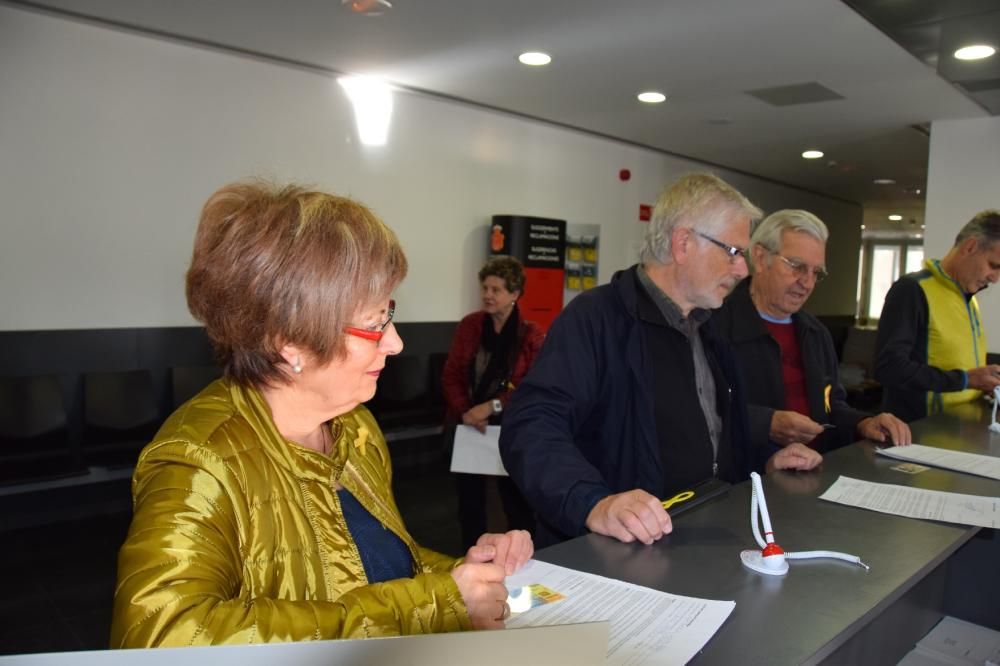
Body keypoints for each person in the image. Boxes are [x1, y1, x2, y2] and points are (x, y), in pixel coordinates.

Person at [111, 182, 532, 648]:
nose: (395, 343)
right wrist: (438, 602)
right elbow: (160, 638)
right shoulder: (198, 460)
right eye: (374, 323)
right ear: (289, 340)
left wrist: (467, 575)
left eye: (388, 314)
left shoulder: (354, 426)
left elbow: (381, 570)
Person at [499, 172, 822, 548]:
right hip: (615, 555)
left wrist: (766, 459)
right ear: (683, 243)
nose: (742, 269)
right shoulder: (595, 319)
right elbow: (530, 427)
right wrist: (594, 503)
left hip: (702, 538)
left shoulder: (709, 325)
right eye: (733, 252)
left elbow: (712, 429)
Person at [715, 209, 910, 452]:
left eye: (815, 272)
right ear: (760, 257)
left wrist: (863, 422)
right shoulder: (715, 326)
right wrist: (765, 423)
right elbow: (702, 411)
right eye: (796, 266)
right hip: (751, 482)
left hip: (814, 472)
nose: (806, 283)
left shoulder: (816, 333)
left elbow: (831, 407)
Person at [442, 256, 544, 548]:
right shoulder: (470, 326)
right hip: (469, 426)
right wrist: (467, 412)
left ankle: (521, 557)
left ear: (514, 294)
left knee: (515, 503)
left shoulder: (531, 336)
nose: (487, 295)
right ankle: (471, 557)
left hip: (510, 428)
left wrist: (491, 407)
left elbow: (529, 387)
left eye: (496, 289)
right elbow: (451, 374)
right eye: (485, 288)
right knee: (470, 504)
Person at [875, 210, 1000, 422]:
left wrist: (986, 385)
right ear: (970, 247)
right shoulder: (912, 290)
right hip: (918, 436)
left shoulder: (970, 299)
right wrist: (964, 380)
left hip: (959, 432)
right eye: (994, 265)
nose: (995, 278)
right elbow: (889, 368)